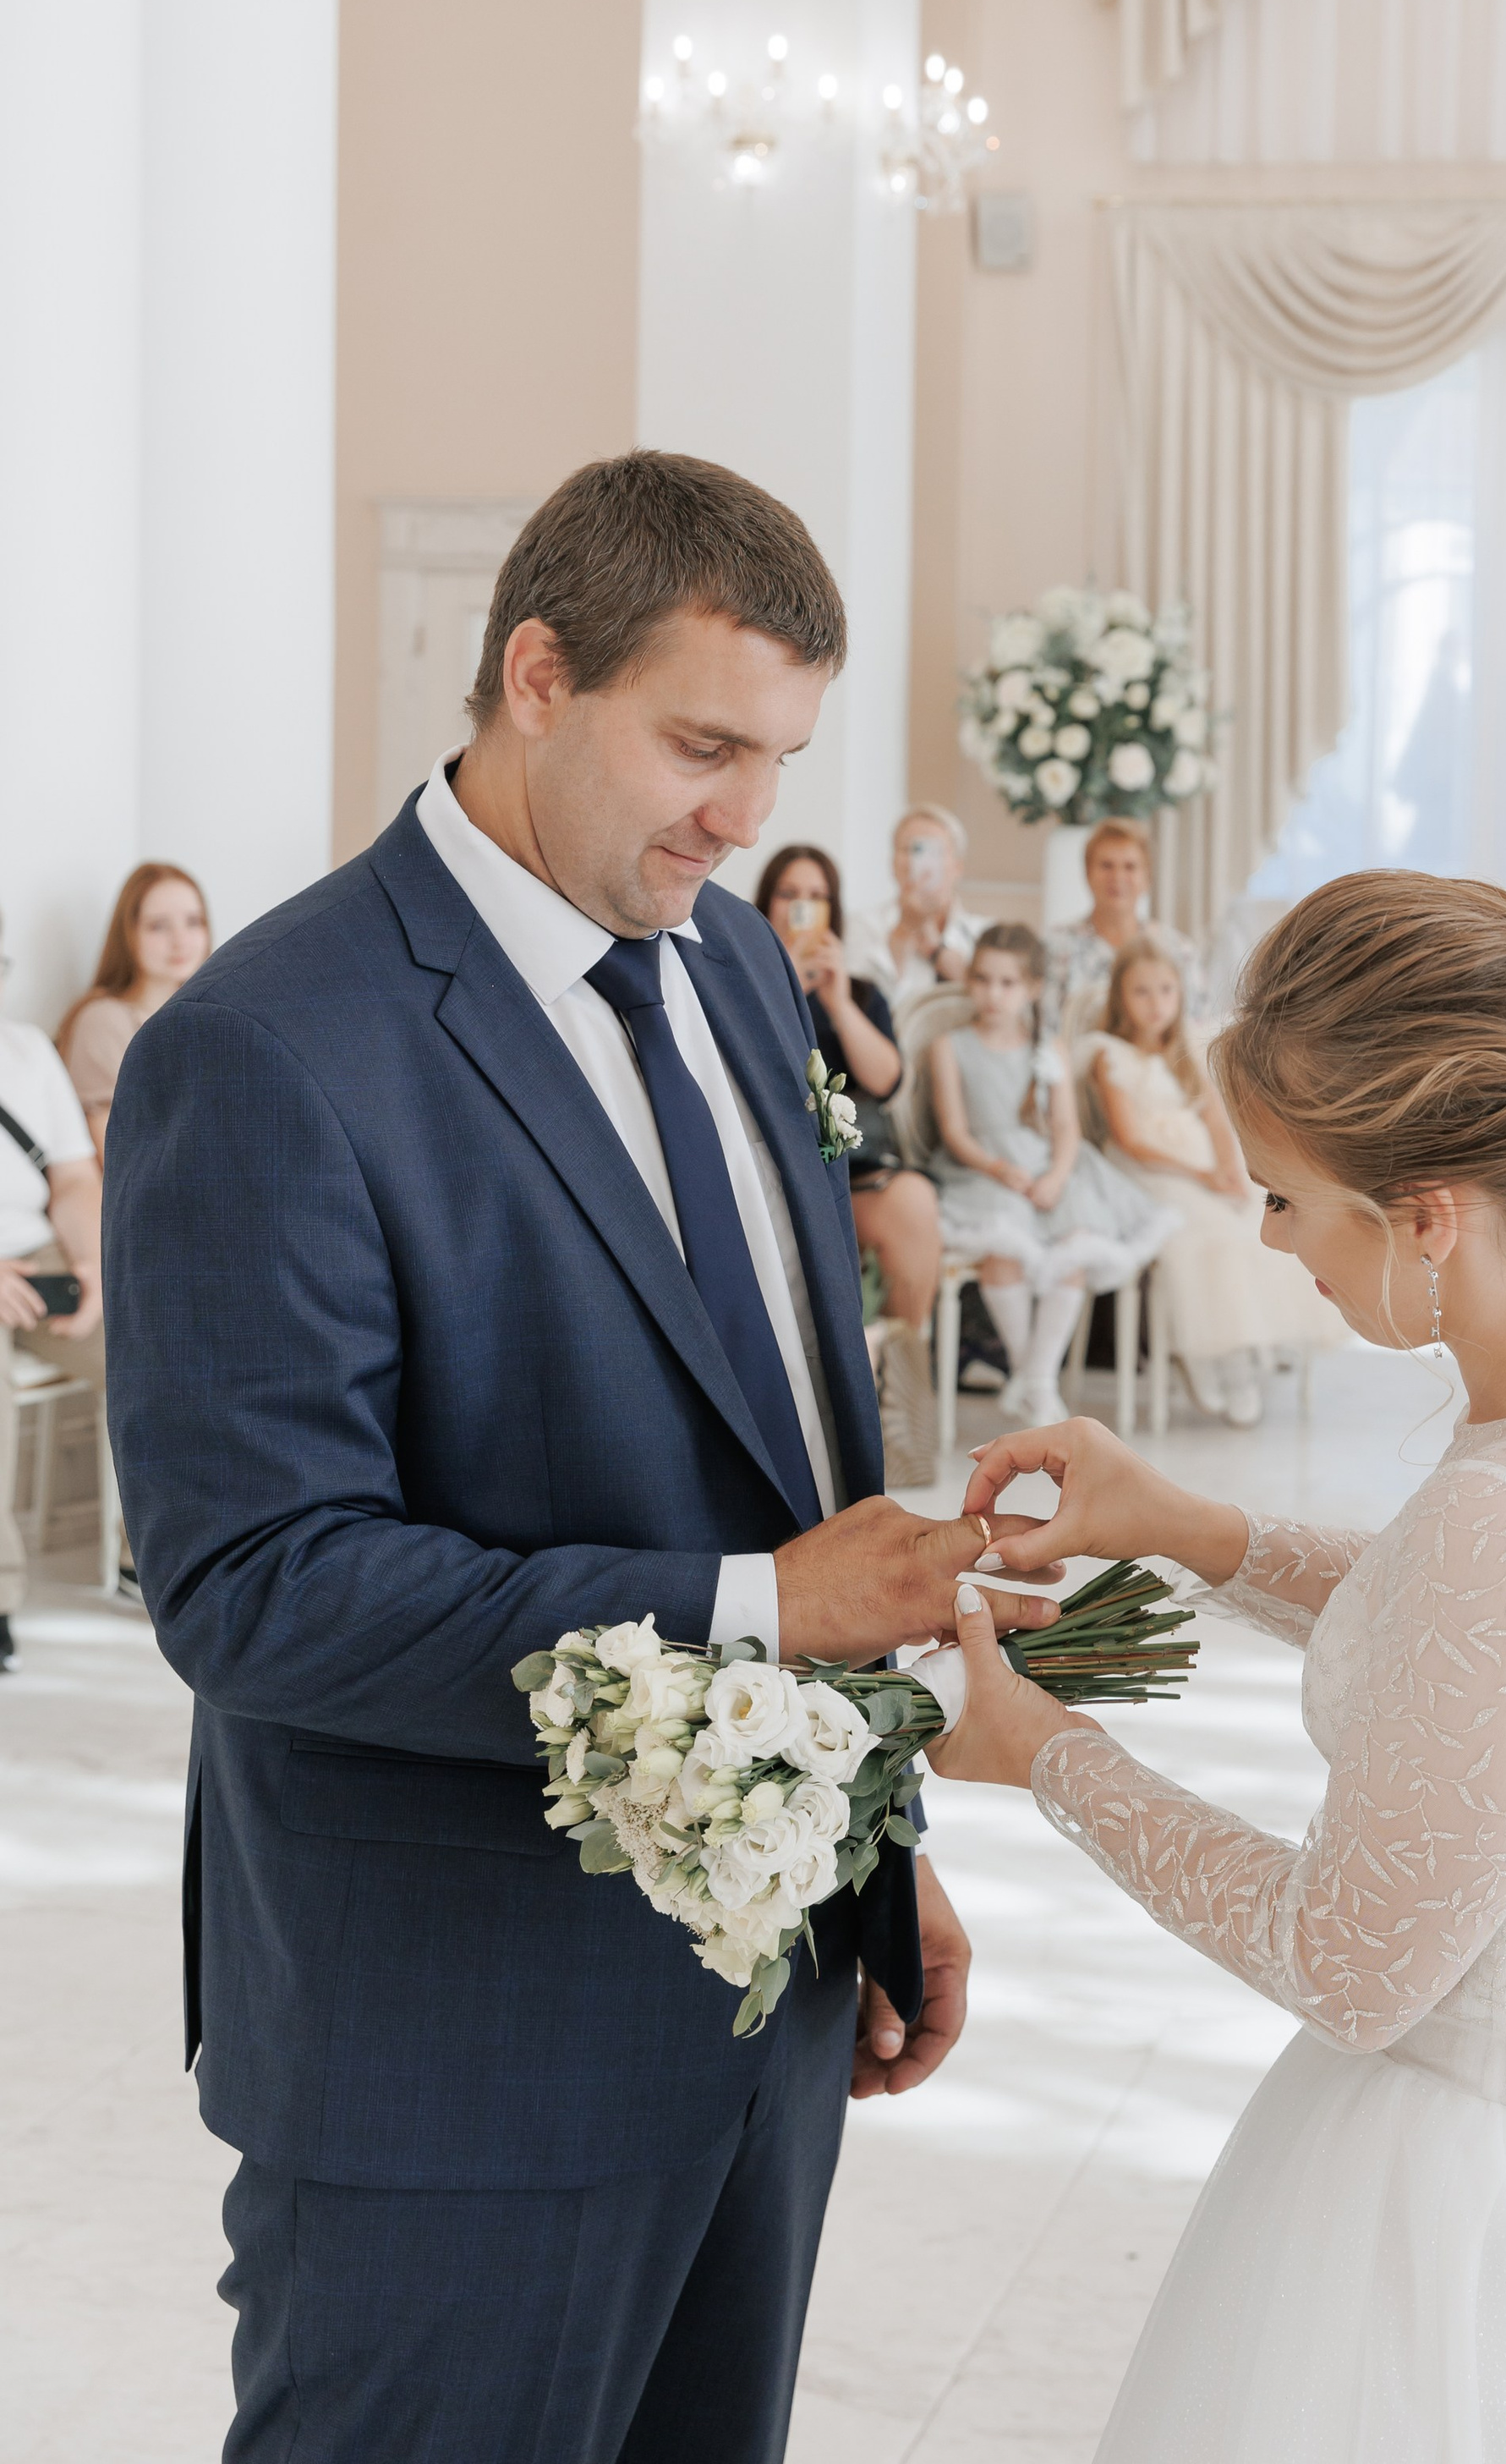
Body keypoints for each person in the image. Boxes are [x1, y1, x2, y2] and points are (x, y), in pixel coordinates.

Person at [102, 450, 1061, 2464]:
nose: (740, 817)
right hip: (453, 2051)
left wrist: (867, 1846)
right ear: (535, 673)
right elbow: (253, 1584)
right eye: (700, 742)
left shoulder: (722, 960)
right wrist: (761, 1611)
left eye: (779, 758)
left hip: (762, 2005)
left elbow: (766, 1427)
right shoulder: (266, 1046)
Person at [930, 874, 1506, 2464]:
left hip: (1476, 2232)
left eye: (1286, 1199)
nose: (1269, 1236)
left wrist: (1045, 1755)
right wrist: (1188, 1525)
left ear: (1428, 1213)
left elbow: (1347, 1962)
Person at [927, 923, 1178, 1430]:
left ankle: (1033, 1379)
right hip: (986, 1172)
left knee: (1076, 1246)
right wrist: (1002, 1170)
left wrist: (1058, 1176)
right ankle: (1037, 1382)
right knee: (1003, 1246)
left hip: (1051, 1169)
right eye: (982, 979)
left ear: (1033, 988)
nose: (993, 994)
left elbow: (1065, 1126)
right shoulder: (949, 1047)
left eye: (1007, 983)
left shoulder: (1049, 1047)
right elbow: (955, 1132)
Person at [754, 842, 940, 1479]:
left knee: (915, 1200)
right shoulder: (737, 982)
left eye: (815, 896)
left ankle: (896, 1389)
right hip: (769, 1167)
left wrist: (834, 1000)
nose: (802, 907)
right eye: (789, 895)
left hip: (850, 1164)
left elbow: (886, 1080)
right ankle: (854, 1377)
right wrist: (782, 983)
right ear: (765, 904)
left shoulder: (858, 989)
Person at [1086, 932, 1325, 1427]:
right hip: (1147, 1173)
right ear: (1120, 999)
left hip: (1201, 1169)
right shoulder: (1109, 1055)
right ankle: (1202, 1356)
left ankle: (1238, 1358)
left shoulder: (1188, 1051)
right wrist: (1199, 1175)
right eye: (1141, 992)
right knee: (1198, 1235)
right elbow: (1130, 1139)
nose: (1156, 1005)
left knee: (1248, 1230)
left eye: (1165, 991)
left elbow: (1217, 1121)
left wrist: (1229, 1172)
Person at [0, 923, 107, 1673]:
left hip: (41, 1260)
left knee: (159, 1354)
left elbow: (71, 1177)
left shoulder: (26, 1050)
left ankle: (169, 1564)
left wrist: (92, 1263)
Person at [57, 862, 212, 1161]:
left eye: (193, 922)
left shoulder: (208, 1020)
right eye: (158, 926)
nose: (180, 940)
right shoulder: (103, 1020)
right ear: (128, 933)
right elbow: (118, 1155)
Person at [1042, 817, 1206, 1036]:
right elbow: (1044, 1031)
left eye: (1130, 867)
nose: (1117, 877)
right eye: (1106, 866)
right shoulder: (1055, 946)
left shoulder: (1179, 950)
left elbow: (1195, 1030)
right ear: (1088, 873)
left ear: (1147, 877)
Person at [849, 804, 987, 1018]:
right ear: (893, 864)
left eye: (934, 850)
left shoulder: (984, 934)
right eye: (910, 849)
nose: (920, 860)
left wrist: (936, 952)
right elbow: (858, 1008)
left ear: (958, 866)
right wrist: (905, 930)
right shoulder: (861, 926)